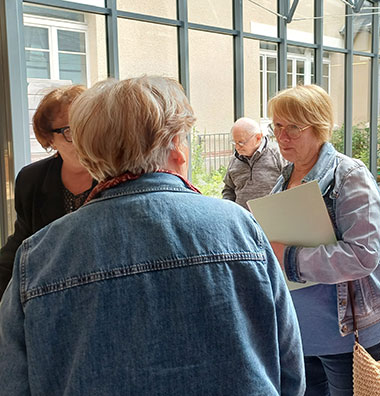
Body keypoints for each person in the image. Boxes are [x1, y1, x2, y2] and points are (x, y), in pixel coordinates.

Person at [0, 76, 305, 395]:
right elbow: (290, 371)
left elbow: (13, 383)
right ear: (176, 147)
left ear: (90, 157)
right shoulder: (241, 229)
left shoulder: (38, 258)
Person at [267, 84, 380, 396]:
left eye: (292, 127)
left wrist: (288, 257)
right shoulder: (286, 175)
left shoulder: (349, 175)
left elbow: (362, 255)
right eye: (276, 125)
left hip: (350, 334)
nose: (281, 136)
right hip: (302, 331)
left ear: (319, 127)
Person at [0, 85, 96, 299]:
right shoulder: (32, 179)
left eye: (87, 127)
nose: (83, 139)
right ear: (50, 139)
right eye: (70, 131)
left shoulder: (116, 176)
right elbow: (23, 242)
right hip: (52, 294)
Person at [222, 117, 286, 209]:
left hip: (272, 217)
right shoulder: (234, 160)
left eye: (241, 142)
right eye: (234, 142)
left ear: (258, 138)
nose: (237, 147)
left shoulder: (278, 154)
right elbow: (229, 189)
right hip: (242, 219)